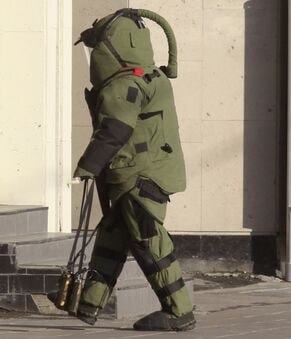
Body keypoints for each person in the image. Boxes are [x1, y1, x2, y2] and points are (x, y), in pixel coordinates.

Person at [49, 9, 195, 331]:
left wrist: (88, 166)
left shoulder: (124, 84)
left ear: (112, 47)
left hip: (138, 176)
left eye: (95, 48)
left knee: (149, 242)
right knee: (112, 238)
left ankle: (179, 311)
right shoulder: (149, 75)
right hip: (149, 172)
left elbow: (115, 130)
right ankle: (87, 304)